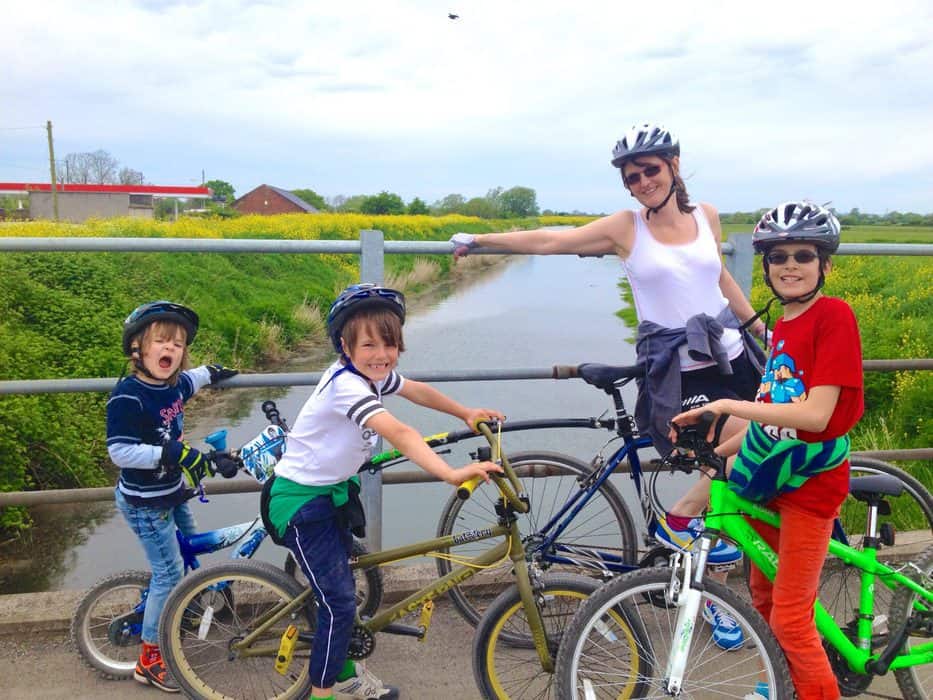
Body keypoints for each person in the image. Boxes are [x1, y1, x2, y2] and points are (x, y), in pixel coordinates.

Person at [450, 123, 767, 648]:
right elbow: (553, 239)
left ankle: (715, 594)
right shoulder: (627, 228)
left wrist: (762, 331)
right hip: (674, 367)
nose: (642, 182)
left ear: (674, 166)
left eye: (650, 170)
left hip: (727, 354)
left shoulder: (705, 215)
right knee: (735, 445)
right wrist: (482, 240)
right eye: (631, 176)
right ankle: (681, 519)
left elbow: (722, 281)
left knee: (768, 441)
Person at [267, 283, 504, 700]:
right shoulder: (347, 385)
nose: (382, 354)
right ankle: (323, 695)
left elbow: (416, 390)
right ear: (345, 346)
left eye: (390, 344)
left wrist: (465, 412)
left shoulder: (371, 375)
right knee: (340, 605)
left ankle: (343, 677)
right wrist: (449, 473)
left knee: (341, 594)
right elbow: (397, 430)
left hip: (331, 495)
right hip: (301, 504)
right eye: (370, 345)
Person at [670, 201, 864, 700]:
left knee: (793, 617)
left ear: (825, 265)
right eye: (778, 257)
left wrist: (728, 403)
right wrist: (713, 448)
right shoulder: (783, 328)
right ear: (766, 267)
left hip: (810, 488)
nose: (791, 266)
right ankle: (787, 686)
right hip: (770, 478)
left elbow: (816, 416)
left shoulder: (832, 317)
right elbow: (770, 423)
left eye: (804, 254)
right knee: (761, 596)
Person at [106, 301, 240, 692]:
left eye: (178, 344)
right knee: (169, 572)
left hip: (172, 491)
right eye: (161, 341)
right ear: (138, 350)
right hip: (145, 500)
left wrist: (214, 373)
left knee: (187, 549)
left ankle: (179, 606)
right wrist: (169, 453)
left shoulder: (174, 384)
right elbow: (120, 451)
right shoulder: (129, 396)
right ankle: (150, 657)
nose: (171, 349)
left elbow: (193, 378)